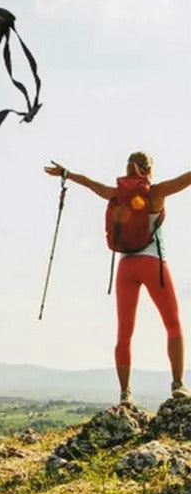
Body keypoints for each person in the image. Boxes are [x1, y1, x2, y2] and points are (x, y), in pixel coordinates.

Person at [44, 152, 191, 406]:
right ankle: (178, 384)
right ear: (148, 170)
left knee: (124, 334)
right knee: (172, 324)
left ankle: (125, 393)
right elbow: (187, 178)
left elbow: (91, 184)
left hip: (126, 268)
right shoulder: (156, 193)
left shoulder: (117, 194)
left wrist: (66, 174)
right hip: (153, 264)